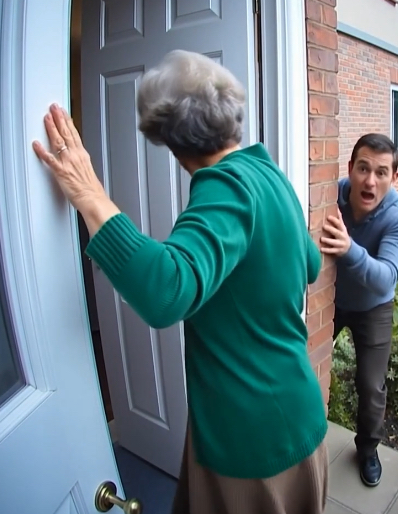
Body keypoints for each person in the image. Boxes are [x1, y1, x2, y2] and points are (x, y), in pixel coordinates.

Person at [33, 50, 328, 514]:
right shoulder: (268, 173)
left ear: (168, 140)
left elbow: (166, 290)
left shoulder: (225, 185)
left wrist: (90, 195)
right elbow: (309, 264)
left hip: (251, 438)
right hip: (298, 412)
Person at [320, 133, 398, 488]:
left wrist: (349, 249)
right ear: (350, 168)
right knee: (300, 356)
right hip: (329, 298)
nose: (370, 181)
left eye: (381, 172)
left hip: (373, 306)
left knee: (371, 385)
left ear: (394, 177)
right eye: (363, 168)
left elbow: (386, 277)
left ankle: (368, 449)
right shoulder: (331, 196)